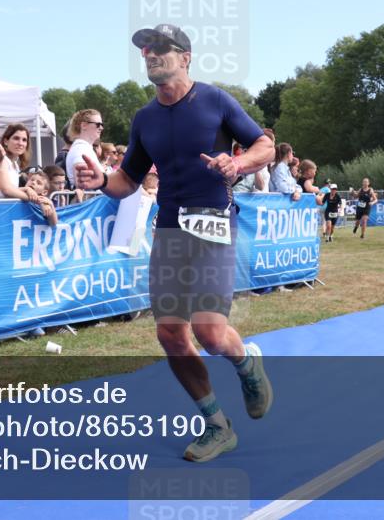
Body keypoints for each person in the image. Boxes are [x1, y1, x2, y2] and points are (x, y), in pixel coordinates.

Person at [74, 23, 275, 464]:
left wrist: (237, 162)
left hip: (214, 225)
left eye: (162, 48)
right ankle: (217, 425)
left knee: (208, 332)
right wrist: (100, 180)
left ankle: (246, 364)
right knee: (170, 334)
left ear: (185, 57)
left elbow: (265, 145)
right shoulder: (145, 118)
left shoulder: (215, 100)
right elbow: (127, 179)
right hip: (168, 230)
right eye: (146, 49)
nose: (151, 54)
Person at [0, 124, 55, 220]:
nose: (20, 143)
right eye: (16, 138)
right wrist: (39, 201)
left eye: (24, 140)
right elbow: (6, 190)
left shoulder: (15, 165)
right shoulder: (2, 159)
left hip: (4, 213)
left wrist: (27, 190)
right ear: (6, 141)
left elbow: (12, 189)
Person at [66, 109, 105, 188]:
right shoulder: (80, 150)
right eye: (98, 124)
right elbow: (83, 185)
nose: (101, 128)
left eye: (102, 124)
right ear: (84, 125)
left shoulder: (84, 148)